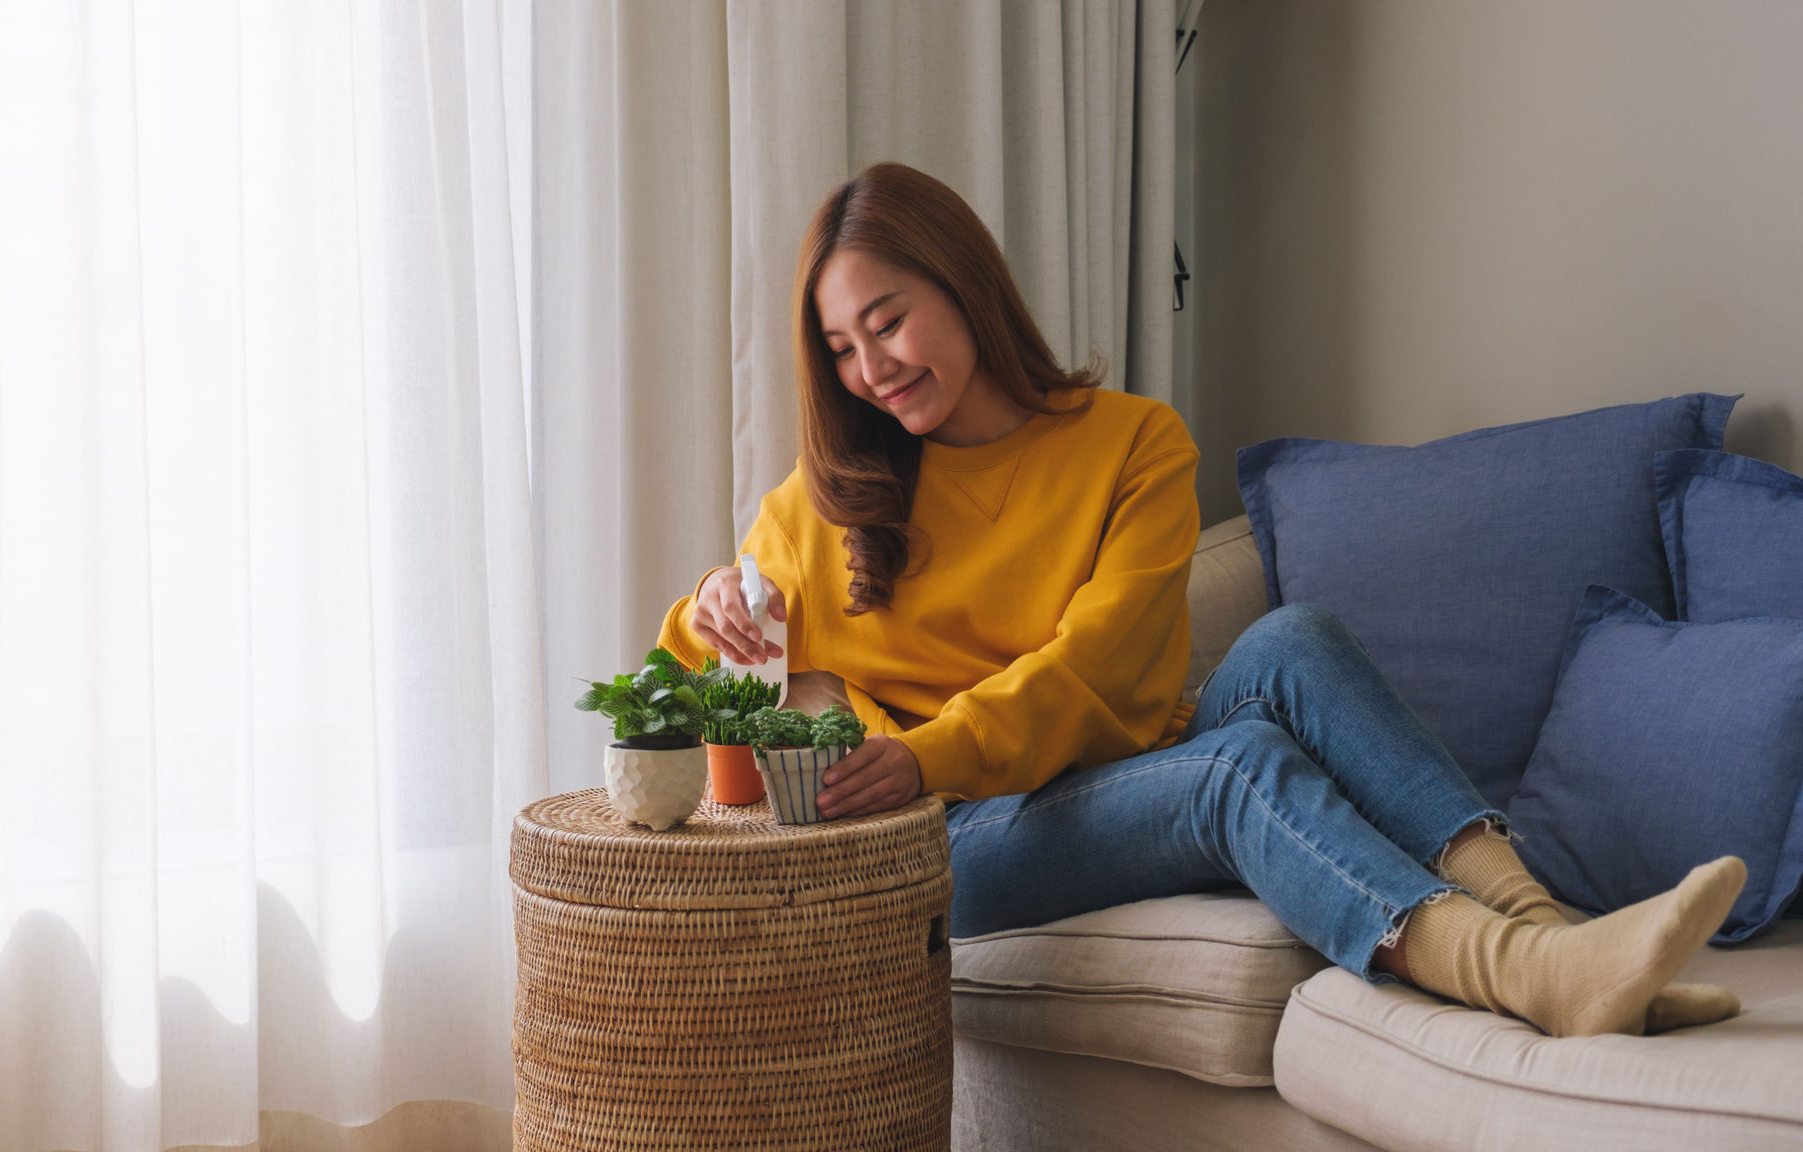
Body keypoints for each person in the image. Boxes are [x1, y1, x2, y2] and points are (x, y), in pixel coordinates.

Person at [655, 161, 1743, 1039]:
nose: (869, 371)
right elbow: (709, 697)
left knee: (1296, 640)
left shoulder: (1130, 442)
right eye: (840, 349)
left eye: (884, 322)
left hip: (1082, 765)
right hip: (941, 835)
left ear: (960, 281)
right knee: (1235, 768)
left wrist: (931, 744)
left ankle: (1547, 933)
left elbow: (1101, 666)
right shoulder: (822, 505)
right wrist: (711, 604)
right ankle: (1525, 973)